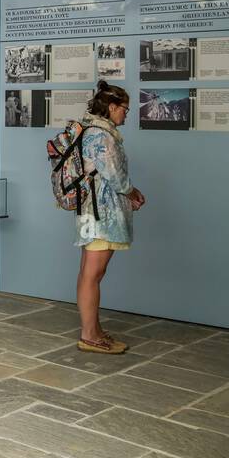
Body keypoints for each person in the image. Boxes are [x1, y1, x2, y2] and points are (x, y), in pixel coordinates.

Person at [74, 81, 146, 354]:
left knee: (88, 273)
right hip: (100, 213)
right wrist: (133, 192)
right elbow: (115, 177)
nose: (126, 114)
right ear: (112, 107)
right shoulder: (101, 136)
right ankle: (90, 336)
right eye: (125, 108)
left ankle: (92, 330)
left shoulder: (93, 131)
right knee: (93, 273)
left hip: (90, 210)